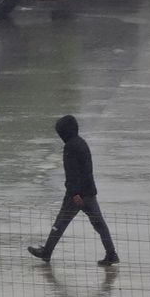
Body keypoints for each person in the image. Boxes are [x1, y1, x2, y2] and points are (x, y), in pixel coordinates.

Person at [29, 114, 120, 266]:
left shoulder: (70, 147)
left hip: (76, 195)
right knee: (99, 224)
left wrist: (75, 193)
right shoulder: (81, 143)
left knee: (60, 222)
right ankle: (111, 254)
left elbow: (72, 173)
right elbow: (86, 171)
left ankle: (46, 252)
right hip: (89, 192)